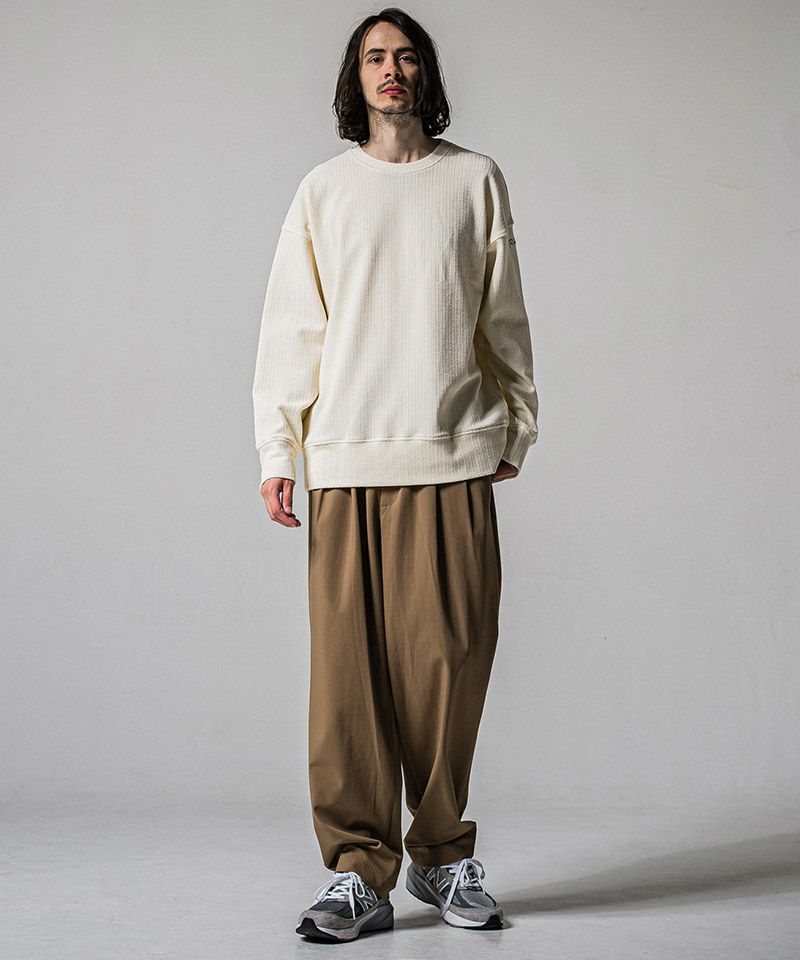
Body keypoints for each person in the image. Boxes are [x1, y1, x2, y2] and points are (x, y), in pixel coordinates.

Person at [252, 6, 539, 944]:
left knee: (449, 667)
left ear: (426, 75)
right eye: (375, 56)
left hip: (450, 453)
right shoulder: (324, 191)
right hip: (344, 462)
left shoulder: (473, 180)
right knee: (349, 685)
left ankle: (442, 855)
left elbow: (503, 317)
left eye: (406, 55)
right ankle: (356, 873)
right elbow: (292, 329)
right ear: (356, 77)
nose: (391, 69)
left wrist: (519, 423)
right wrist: (279, 450)